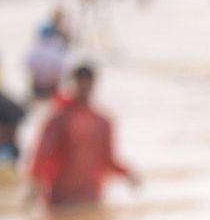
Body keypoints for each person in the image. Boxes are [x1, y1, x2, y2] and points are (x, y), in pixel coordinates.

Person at [29, 65, 138, 208]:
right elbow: (42, 153)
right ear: (73, 83)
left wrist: (128, 174)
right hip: (60, 195)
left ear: (94, 84)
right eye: (81, 82)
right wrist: (34, 184)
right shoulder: (59, 119)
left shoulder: (102, 121)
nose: (84, 86)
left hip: (91, 194)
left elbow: (108, 158)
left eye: (88, 82)